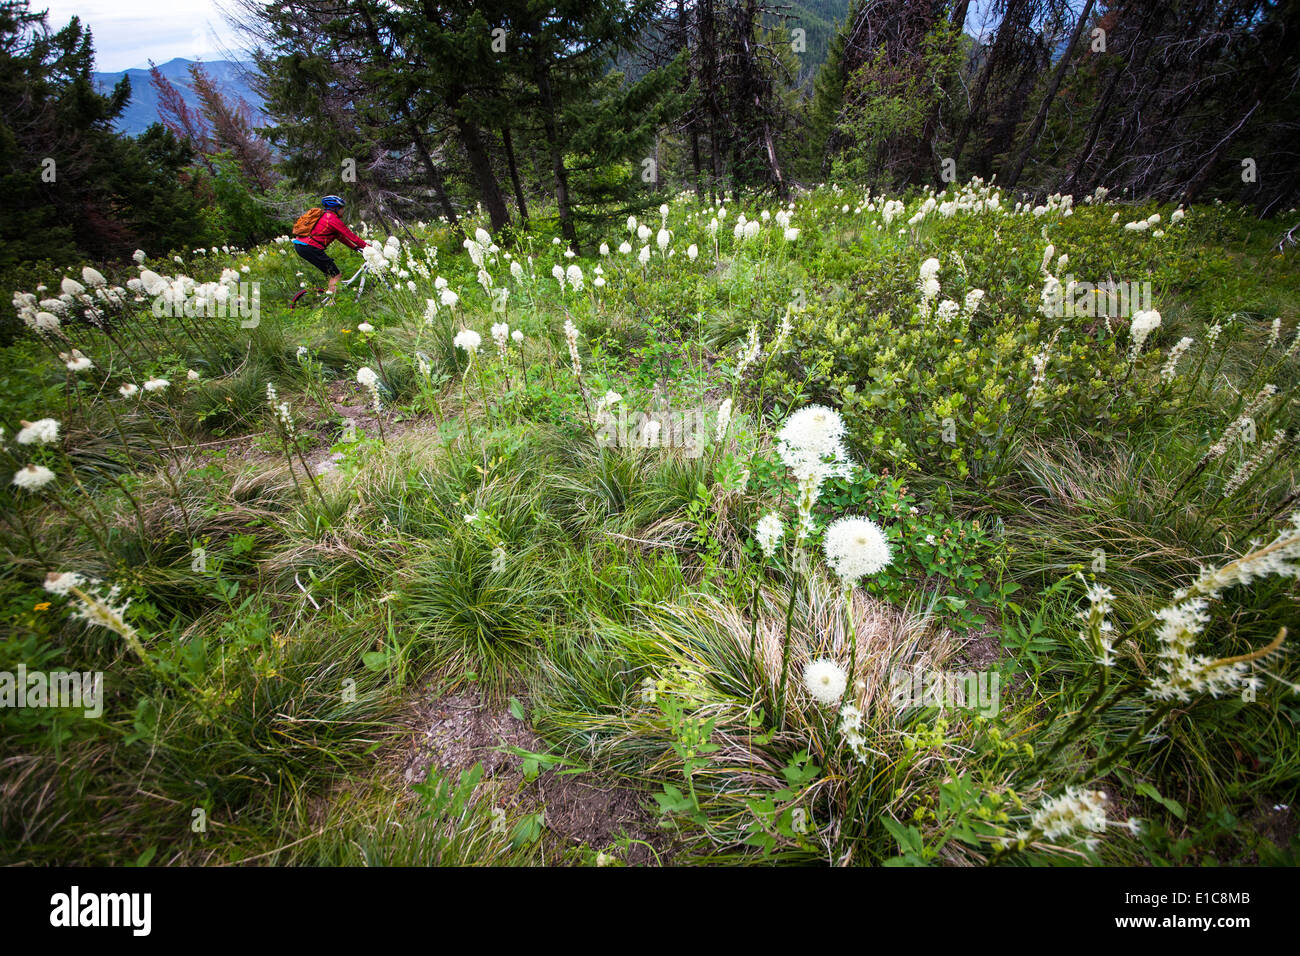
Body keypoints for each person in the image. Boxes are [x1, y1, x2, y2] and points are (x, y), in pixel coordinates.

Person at [292, 195, 367, 296]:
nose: (343, 211)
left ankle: (331, 294)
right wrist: (369, 248)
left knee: (332, 273)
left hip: (303, 246)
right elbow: (352, 237)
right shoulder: (332, 219)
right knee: (336, 275)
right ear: (335, 209)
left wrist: (355, 247)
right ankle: (331, 304)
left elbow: (340, 237)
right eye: (342, 208)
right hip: (309, 247)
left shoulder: (325, 217)